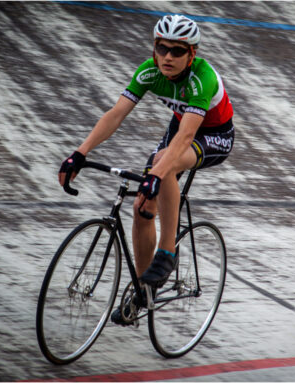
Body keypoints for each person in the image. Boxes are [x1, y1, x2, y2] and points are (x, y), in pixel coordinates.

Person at [58, 14, 234, 325]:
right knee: (142, 205)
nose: (167, 56)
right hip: (180, 127)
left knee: (161, 166)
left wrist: (155, 174)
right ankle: (144, 292)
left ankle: (167, 252)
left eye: (177, 51)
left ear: (192, 54)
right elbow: (116, 114)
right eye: (161, 48)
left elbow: (186, 137)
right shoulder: (150, 71)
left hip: (213, 135)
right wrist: (80, 152)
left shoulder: (202, 78)